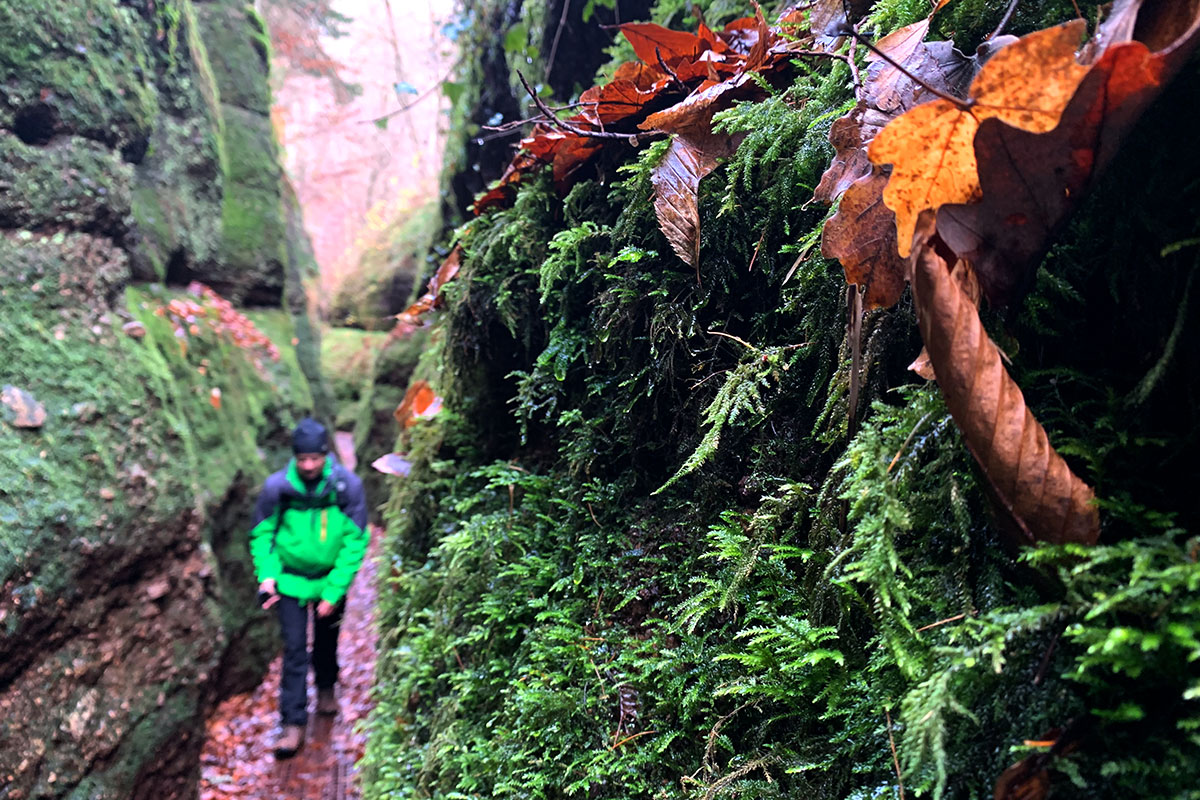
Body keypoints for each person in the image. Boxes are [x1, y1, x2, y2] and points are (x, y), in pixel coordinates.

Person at [248, 418, 369, 759]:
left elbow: (356, 541)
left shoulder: (346, 487)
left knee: (327, 640)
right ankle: (292, 722)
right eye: (302, 460)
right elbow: (262, 534)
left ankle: (327, 687)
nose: (309, 466)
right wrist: (267, 575)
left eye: (315, 459)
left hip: (329, 580)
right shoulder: (277, 488)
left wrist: (333, 592)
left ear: (325, 455)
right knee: (295, 650)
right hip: (289, 582)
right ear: (295, 458)